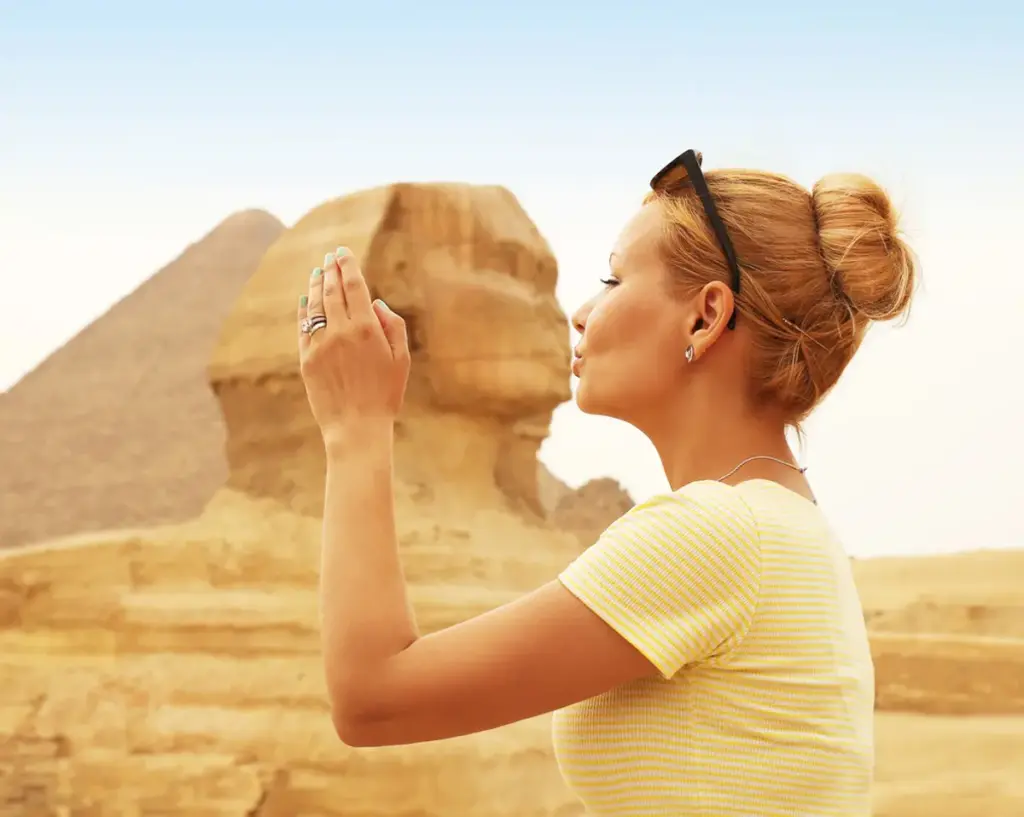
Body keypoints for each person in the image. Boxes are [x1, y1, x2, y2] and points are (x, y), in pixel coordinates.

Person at [295, 148, 917, 817]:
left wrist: (355, 427)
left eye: (614, 279)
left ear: (706, 317)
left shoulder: (716, 532)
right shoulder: (782, 525)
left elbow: (373, 699)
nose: (584, 312)